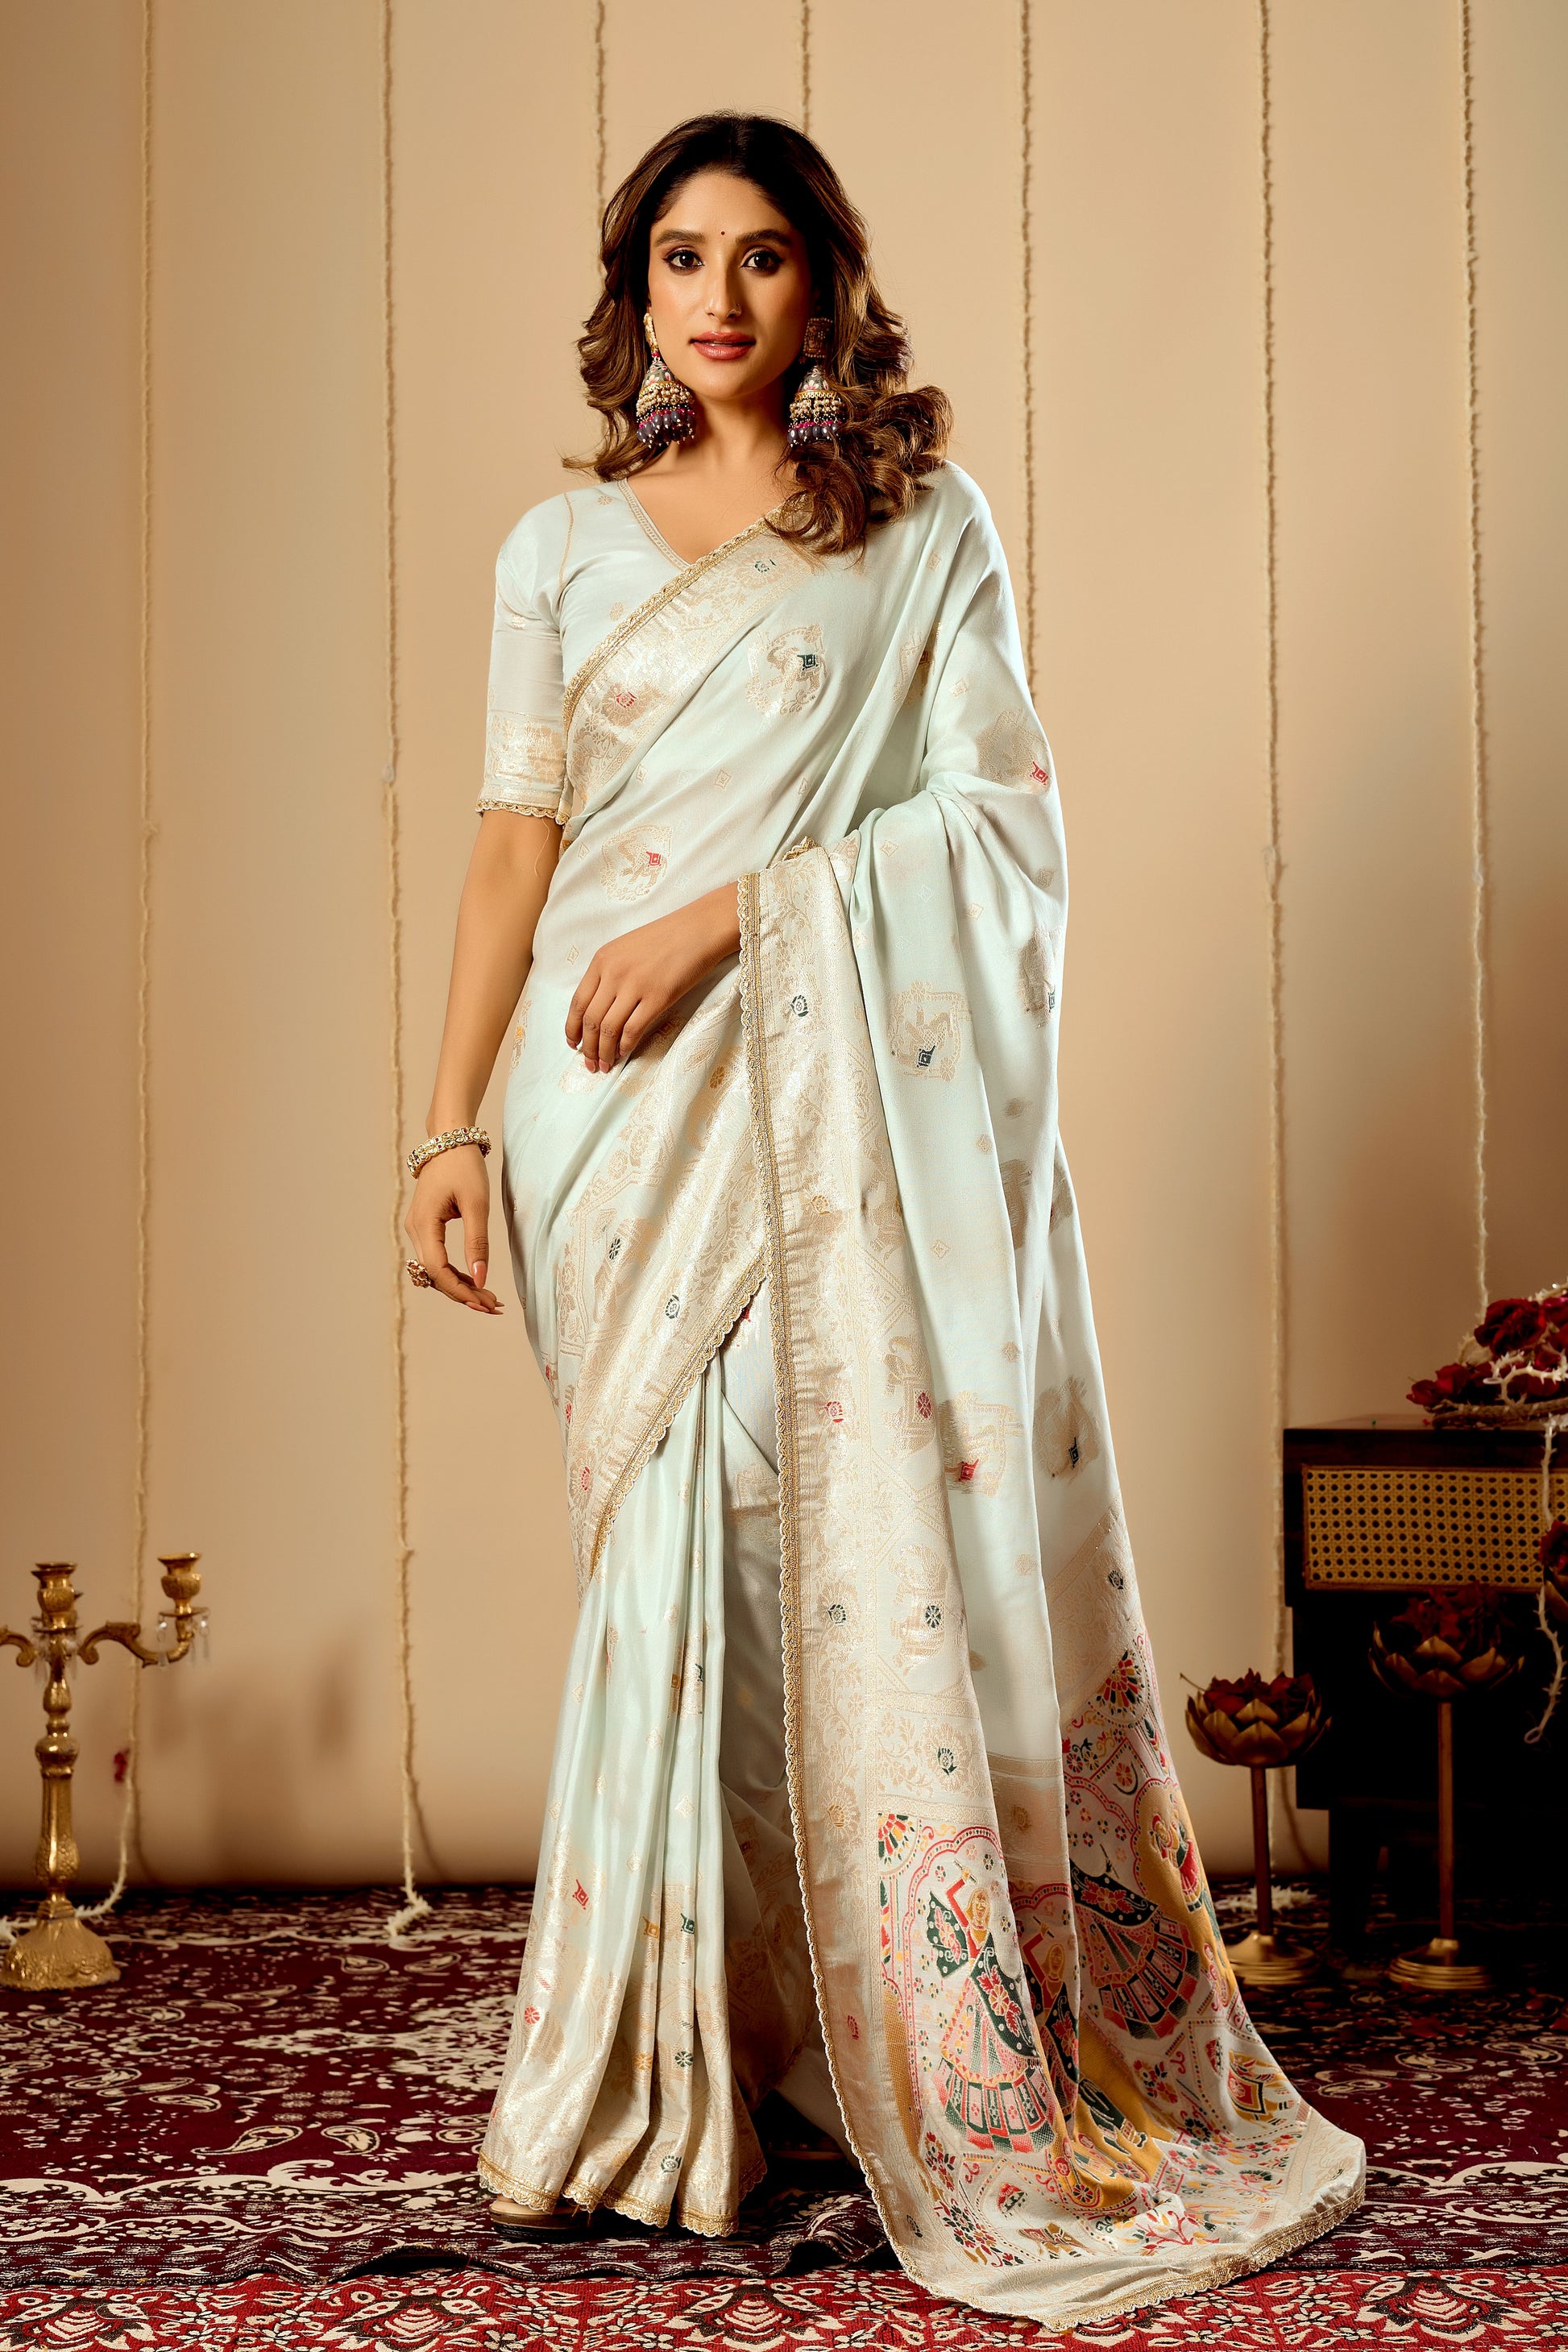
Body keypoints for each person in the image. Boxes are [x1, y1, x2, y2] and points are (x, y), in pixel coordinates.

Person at [403, 110, 1362, 2331]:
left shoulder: (920, 530)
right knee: (670, 1558)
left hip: (797, 1079)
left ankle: (839, 2049)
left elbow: (1001, 826)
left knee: (788, 1536)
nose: (716, 299)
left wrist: (740, 917)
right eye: (677, 259)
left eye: (759, 257)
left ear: (824, 285)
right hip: (604, 1116)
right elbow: (512, 847)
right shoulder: (558, 549)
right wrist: (445, 1128)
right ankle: (657, 2078)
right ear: (630, 294)